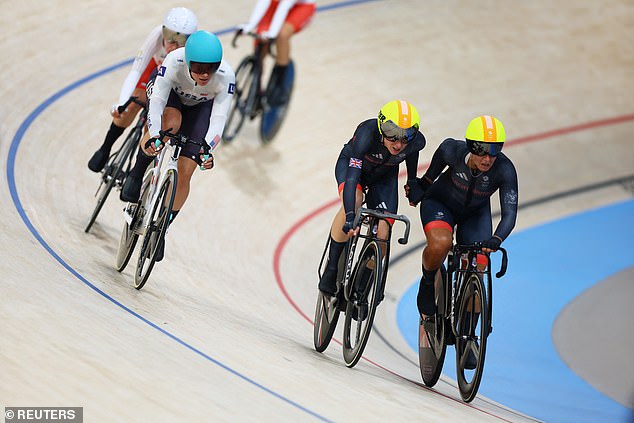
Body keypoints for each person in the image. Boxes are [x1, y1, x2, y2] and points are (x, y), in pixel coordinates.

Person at [411, 115, 518, 367]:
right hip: (441, 204)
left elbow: (510, 213)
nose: (488, 158)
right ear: (470, 145)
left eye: (495, 150)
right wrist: (418, 189)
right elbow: (428, 180)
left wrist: (496, 238)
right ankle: (428, 283)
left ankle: (469, 336)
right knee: (441, 244)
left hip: (475, 215)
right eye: (482, 150)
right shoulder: (451, 150)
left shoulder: (505, 169)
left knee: (479, 264)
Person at [119, 30, 235, 261]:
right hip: (170, 97)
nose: (205, 74)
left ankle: (162, 228)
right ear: (188, 61)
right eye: (199, 67)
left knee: (186, 173)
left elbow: (219, 119)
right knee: (170, 124)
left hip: (200, 108)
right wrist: (154, 135)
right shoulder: (173, 62)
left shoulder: (225, 76)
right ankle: (137, 172)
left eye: (210, 68)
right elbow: (157, 104)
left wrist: (206, 149)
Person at [318, 100, 427, 303]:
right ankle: (332, 268)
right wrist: (351, 215)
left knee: (383, 233)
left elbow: (412, 153)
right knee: (355, 200)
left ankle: (361, 286)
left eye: (405, 139)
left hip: (383, 178)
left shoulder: (417, 142)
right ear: (381, 127)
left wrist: (412, 181)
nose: (398, 144)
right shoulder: (366, 134)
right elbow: (352, 178)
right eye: (392, 136)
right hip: (353, 170)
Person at [87, 7, 198, 172]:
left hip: (173, 85)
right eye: (169, 37)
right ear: (163, 31)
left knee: (156, 127)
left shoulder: (195, 49)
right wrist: (121, 103)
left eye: (180, 40)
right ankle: (105, 147)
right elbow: (136, 70)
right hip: (154, 70)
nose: (173, 45)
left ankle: (137, 171)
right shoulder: (156, 35)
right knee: (131, 105)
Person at [237, 0, 315, 105]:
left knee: (282, 35)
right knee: (260, 40)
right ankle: (256, 88)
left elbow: (284, 6)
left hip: (301, 6)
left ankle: (280, 85)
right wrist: (249, 26)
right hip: (276, 3)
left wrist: (272, 33)